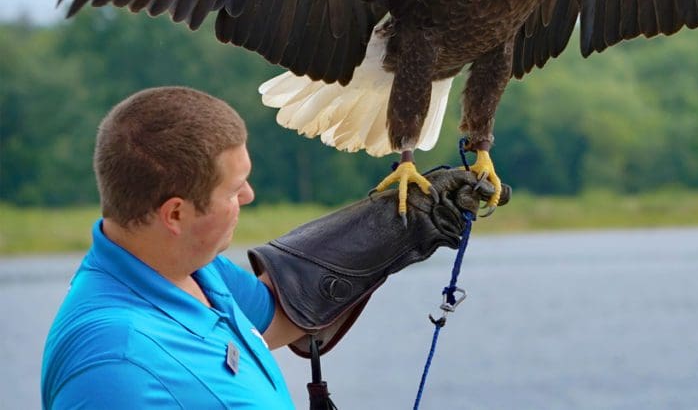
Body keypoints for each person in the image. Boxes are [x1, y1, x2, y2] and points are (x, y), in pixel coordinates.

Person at [41, 86, 503, 409]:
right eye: (234, 188)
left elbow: (283, 315)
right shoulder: (113, 364)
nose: (248, 197)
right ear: (175, 214)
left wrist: (401, 223)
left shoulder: (196, 273)